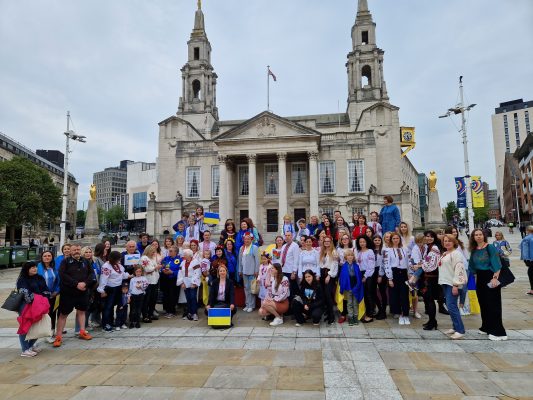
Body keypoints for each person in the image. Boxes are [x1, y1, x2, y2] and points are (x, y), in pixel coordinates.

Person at [469, 229, 507, 341]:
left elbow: (497, 263)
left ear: (484, 236)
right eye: (476, 235)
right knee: (483, 304)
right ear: (473, 237)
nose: (478, 236)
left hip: (491, 276)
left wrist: (495, 278)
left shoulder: (489, 247)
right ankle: (486, 327)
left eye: (480, 234)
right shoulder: (474, 250)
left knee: (493, 304)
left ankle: (499, 332)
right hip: (480, 278)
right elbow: (472, 267)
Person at [54, 244, 95, 347]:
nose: (77, 251)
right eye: (74, 250)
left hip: (83, 292)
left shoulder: (85, 261)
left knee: (81, 312)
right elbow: (62, 275)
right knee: (63, 314)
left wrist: (85, 283)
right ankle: (58, 336)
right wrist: (76, 284)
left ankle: (82, 331)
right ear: (70, 251)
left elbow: (91, 274)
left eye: (78, 249)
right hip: (68, 293)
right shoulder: (65, 262)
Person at [16, 261, 50, 357]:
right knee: (25, 326)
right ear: (27, 269)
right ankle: (25, 349)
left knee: (39, 326)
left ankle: (30, 346)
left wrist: (43, 299)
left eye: (35, 267)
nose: (34, 269)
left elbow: (46, 290)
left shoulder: (39, 277)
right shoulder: (22, 279)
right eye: (32, 267)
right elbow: (24, 293)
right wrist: (37, 298)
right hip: (26, 306)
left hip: (40, 305)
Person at [439, 234, 466, 339]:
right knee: (450, 306)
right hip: (445, 282)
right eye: (445, 241)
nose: (447, 242)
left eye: (449, 241)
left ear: (454, 242)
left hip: (452, 284)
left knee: (452, 306)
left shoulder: (456, 254)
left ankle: (460, 330)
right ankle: (455, 327)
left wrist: (456, 285)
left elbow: (459, 269)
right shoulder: (445, 253)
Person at [97, 250, 131, 332]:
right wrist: (102, 290)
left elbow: (122, 275)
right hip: (110, 288)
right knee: (108, 307)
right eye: (118, 259)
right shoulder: (106, 266)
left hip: (118, 287)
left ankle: (114, 322)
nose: (119, 260)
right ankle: (106, 324)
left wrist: (131, 275)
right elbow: (103, 279)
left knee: (120, 305)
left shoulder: (118, 265)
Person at [382, 232, 410, 325]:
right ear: (391, 240)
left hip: (403, 273)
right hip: (394, 273)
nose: (395, 240)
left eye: (397, 238)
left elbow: (408, 261)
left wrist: (409, 273)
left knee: (404, 293)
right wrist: (389, 278)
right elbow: (387, 264)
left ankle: (405, 312)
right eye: (393, 238)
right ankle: (397, 311)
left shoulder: (404, 249)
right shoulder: (387, 250)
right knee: (394, 293)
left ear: (400, 239)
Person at [37, 250, 59, 343]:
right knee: (41, 315)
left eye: (49, 256)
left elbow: (58, 281)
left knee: (52, 314)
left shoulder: (54, 268)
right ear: (42, 258)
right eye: (45, 256)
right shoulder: (38, 267)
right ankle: (38, 334)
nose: (47, 257)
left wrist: (56, 291)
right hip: (40, 296)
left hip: (52, 295)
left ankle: (51, 332)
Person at [338, 249, 364, 326]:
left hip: (356, 287)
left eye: (351, 255)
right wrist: (343, 287)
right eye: (348, 255)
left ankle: (355, 317)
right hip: (348, 287)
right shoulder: (344, 267)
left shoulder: (356, 266)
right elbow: (342, 277)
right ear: (346, 257)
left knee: (355, 303)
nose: (350, 257)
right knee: (349, 303)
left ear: (353, 257)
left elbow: (359, 277)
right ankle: (350, 317)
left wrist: (358, 286)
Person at [177, 249, 202, 321]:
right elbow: (180, 273)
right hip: (185, 283)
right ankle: (189, 313)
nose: (184, 256)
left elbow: (197, 273)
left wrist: (194, 283)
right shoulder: (182, 263)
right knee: (188, 298)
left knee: (193, 297)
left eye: (185, 254)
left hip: (192, 283)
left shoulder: (195, 262)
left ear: (189, 255)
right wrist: (181, 282)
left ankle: (194, 313)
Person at [318, 236, 339, 324]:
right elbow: (320, 264)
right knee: (324, 296)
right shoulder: (322, 251)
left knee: (328, 296)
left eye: (328, 241)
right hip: (322, 273)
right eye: (325, 241)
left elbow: (334, 265)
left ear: (331, 242)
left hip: (329, 274)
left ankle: (332, 316)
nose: (326, 243)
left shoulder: (333, 252)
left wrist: (329, 275)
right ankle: (328, 314)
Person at [356, 235, 376, 323]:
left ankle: (370, 315)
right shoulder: (358, 252)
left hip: (368, 274)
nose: (362, 243)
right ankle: (364, 312)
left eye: (364, 242)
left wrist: (365, 276)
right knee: (363, 294)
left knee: (369, 294)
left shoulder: (370, 251)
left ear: (367, 242)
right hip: (360, 274)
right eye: (360, 242)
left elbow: (371, 266)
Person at [238, 232, 260, 312]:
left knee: (252, 289)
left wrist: (256, 271)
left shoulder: (254, 248)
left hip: (252, 272)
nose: (246, 240)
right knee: (246, 288)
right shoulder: (242, 248)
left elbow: (257, 260)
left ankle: (252, 305)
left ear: (251, 239)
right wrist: (240, 270)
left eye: (248, 239)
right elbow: (240, 260)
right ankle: (247, 304)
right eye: (245, 239)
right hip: (244, 272)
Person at [140, 244, 162, 323]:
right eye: (152, 252)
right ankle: (145, 315)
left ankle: (150, 313)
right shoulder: (144, 258)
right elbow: (147, 269)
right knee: (147, 299)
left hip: (154, 281)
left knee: (153, 299)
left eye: (154, 252)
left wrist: (157, 267)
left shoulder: (152, 258)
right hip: (148, 281)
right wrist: (156, 267)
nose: (153, 254)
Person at [280, 231, 301, 309]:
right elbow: (281, 258)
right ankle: (287, 307)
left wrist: (294, 272)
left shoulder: (295, 246)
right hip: (283, 270)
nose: (287, 237)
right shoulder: (284, 246)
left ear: (292, 236)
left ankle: (293, 309)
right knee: (285, 290)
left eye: (289, 235)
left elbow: (296, 259)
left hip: (290, 271)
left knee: (292, 290)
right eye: (286, 235)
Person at [160, 245, 181, 318]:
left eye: (171, 251)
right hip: (165, 279)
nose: (169, 252)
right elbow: (161, 266)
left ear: (176, 252)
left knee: (173, 295)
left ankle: (172, 311)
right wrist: (163, 270)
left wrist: (172, 272)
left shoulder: (179, 260)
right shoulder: (166, 258)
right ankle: (167, 310)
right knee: (166, 295)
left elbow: (181, 271)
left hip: (173, 279)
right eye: (169, 250)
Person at [520, 225, 533, 296]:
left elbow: (524, 250)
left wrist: (525, 259)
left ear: (527, 230)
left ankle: (532, 289)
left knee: (531, 273)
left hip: (531, 259)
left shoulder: (526, 238)